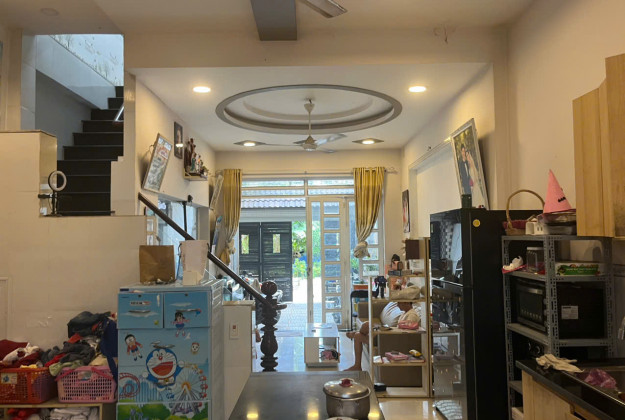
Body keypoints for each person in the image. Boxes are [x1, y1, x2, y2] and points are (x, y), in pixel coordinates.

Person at [344, 301, 420, 371]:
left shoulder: (411, 315)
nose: (397, 305)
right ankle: (357, 366)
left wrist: (384, 331)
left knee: (365, 326)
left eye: (399, 303)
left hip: (386, 338)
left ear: (406, 303)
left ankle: (354, 335)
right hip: (387, 335)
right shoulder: (405, 313)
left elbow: (405, 335)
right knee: (360, 332)